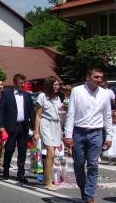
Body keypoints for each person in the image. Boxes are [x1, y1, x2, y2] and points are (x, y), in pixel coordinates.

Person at [64, 68, 112, 203]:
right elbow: (71, 113)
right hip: (79, 132)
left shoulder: (105, 94)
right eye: (96, 77)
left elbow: (107, 116)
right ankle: (84, 189)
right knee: (79, 164)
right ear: (88, 77)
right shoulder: (77, 91)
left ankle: (89, 194)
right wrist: (68, 135)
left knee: (93, 164)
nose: (99, 80)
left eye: (101, 77)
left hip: (96, 133)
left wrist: (109, 136)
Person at [0, 73, 35, 183]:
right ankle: (6, 169)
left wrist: (34, 127)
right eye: (20, 83)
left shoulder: (27, 95)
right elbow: (1, 111)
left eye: (24, 83)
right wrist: (1, 126)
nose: (23, 85)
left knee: (22, 151)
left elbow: (31, 112)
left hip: (23, 126)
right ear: (14, 83)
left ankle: (21, 174)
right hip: (10, 127)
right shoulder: (7, 94)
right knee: (9, 149)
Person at [33, 76, 62, 190]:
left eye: (58, 85)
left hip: (57, 125)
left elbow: (59, 112)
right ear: (50, 85)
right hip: (46, 124)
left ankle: (46, 178)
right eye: (55, 84)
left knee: (52, 154)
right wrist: (36, 132)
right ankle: (49, 182)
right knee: (50, 153)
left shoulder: (57, 98)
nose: (57, 87)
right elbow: (38, 115)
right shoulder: (42, 96)